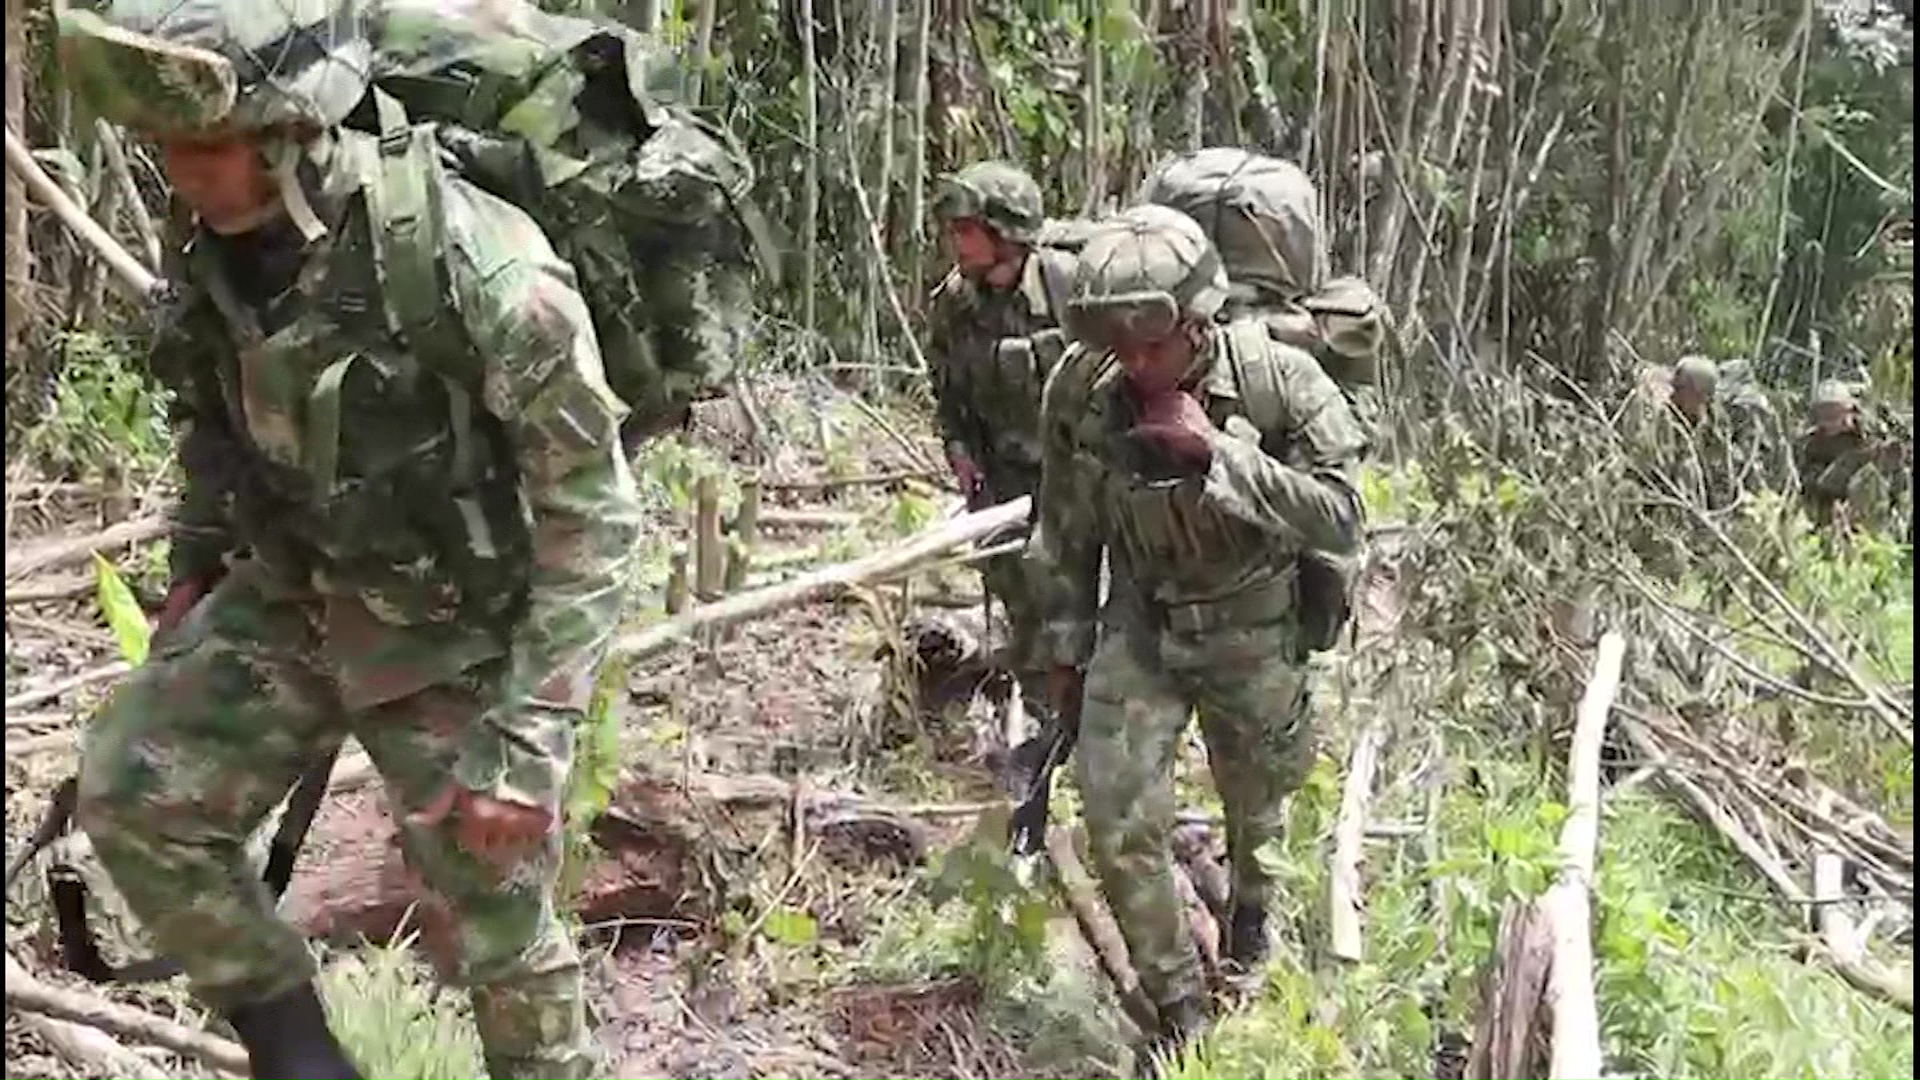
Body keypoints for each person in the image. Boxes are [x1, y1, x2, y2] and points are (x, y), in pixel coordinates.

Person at [59, 4, 643, 1078]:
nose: (177, 171)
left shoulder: (475, 262)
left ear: (287, 133)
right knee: (136, 794)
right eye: (164, 149)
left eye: (199, 146)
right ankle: (301, 1063)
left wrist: (531, 740)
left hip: (454, 625)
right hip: (298, 587)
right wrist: (195, 564)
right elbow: (212, 408)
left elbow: (595, 513)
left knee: (498, 927)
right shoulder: (217, 248)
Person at [1030, 205, 1367, 1063]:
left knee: (1260, 811)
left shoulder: (1281, 383)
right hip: (1141, 621)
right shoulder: (1080, 387)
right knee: (1114, 811)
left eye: (1154, 345)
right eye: (1120, 346)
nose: (1136, 365)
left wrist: (1217, 452)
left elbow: (1342, 518)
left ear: (1197, 321)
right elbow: (1064, 527)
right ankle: (1180, 1007)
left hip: (1252, 623)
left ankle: (1251, 919)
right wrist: (1062, 650)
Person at [926, 161, 1079, 726]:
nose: (955, 243)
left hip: (1076, 482)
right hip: (1004, 484)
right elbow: (946, 389)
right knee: (1025, 609)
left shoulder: (1069, 287)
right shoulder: (955, 304)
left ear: (1005, 233)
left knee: (1081, 614)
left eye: (967, 230)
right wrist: (959, 449)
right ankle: (1044, 731)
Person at [1796, 379, 1900, 534]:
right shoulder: (1809, 443)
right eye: (1823, 412)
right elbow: (1800, 480)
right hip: (1825, 511)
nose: (1828, 418)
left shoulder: (1869, 438)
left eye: (1833, 411)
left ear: (1848, 410)